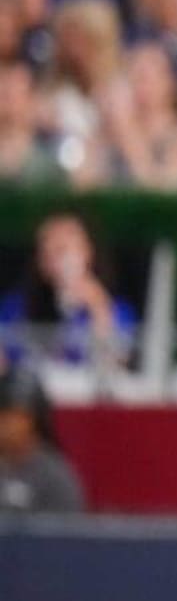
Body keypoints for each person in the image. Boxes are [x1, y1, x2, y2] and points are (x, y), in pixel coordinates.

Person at [0, 213, 136, 371]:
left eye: (61, 249)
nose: (53, 259)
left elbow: (114, 367)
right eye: (45, 251)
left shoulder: (118, 310)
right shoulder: (16, 306)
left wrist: (98, 307)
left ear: (86, 252)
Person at [0, 369, 85, 513]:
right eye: (3, 416)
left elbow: (69, 531)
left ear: (37, 421)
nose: (8, 426)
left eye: (18, 417)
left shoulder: (54, 476)